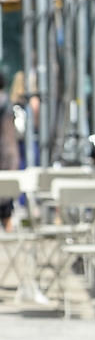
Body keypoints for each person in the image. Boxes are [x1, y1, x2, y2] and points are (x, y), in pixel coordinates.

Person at [0, 73, 16, 231]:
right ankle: (8, 226)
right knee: (5, 196)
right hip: (4, 154)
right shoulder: (6, 103)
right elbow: (9, 135)